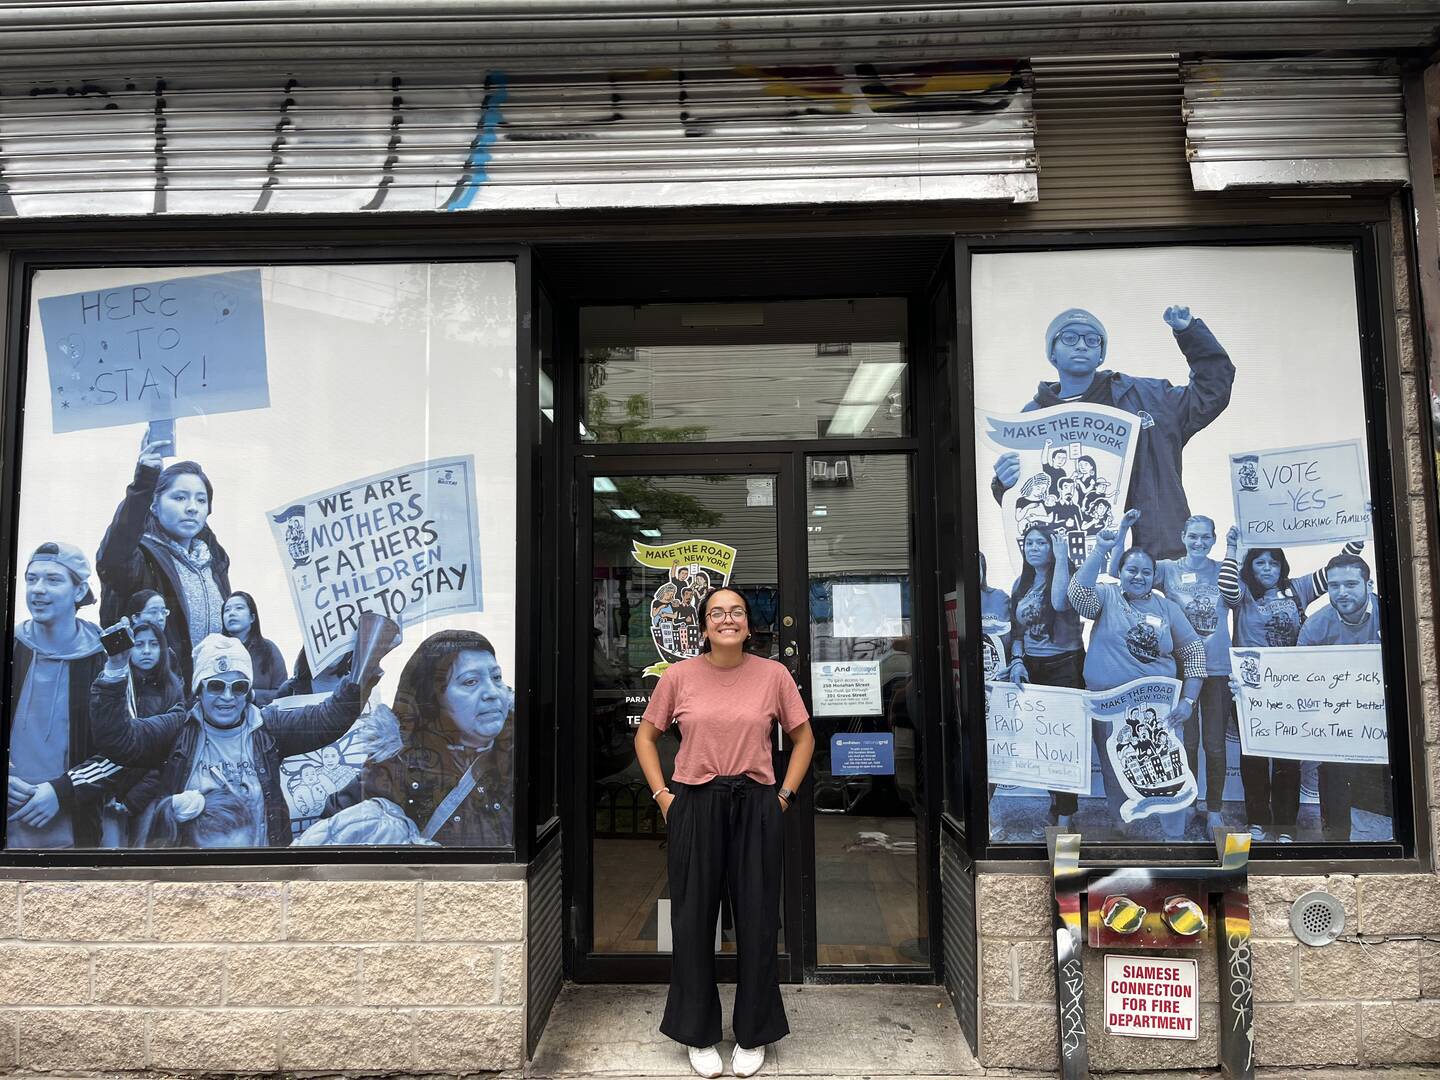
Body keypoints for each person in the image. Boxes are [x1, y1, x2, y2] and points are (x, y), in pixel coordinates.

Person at [633, 587, 816, 1079]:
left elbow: (803, 739)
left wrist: (784, 798)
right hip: (694, 803)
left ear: (749, 625)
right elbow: (646, 737)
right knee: (693, 921)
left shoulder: (773, 675)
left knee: (758, 920)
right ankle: (697, 1032)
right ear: (704, 625)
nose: (727, 619)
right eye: (717, 613)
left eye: (736, 612)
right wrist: (663, 797)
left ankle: (753, 1032)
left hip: (756, 804)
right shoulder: (679, 676)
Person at [990, 305, 1235, 560]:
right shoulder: (1033, 417)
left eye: (1092, 339)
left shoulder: (1149, 398)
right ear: (1052, 352)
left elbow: (1211, 392)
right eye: (1069, 338)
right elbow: (1029, 504)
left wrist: (1190, 333)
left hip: (1157, 559)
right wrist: (1005, 484)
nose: (1082, 345)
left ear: (1101, 354)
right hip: (1077, 566)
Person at [89, 634, 369, 847]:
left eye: (238, 687)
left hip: (258, 875)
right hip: (191, 880)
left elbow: (328, 719)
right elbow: (118, 740)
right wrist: (115, 670)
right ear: (199, 689)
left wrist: (364, 664)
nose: (227, 697)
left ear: (248, 692)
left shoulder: (268, 726)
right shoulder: (178, 728)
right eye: (215, 685)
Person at [1219, 528, 1365, 841]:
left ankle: (1285, 825)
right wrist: (1231, 547)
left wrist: (1359, 533)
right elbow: (1227, 587)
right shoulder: (1243, 593)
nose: (1267, 568)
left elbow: (1331, 573)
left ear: (1282, 566)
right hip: (1250, 687)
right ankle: (1258, 821)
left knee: (1287, 759)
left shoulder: (1297, 588)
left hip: (1290, 688)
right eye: (1260, 563)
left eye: (1273, 562)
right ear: (1250, 568)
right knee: (1254, 759)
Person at [1068, 524, 1207, 825]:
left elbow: (1194, 650)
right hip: (1108, 706)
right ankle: (1122, 826)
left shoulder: (1167, 608)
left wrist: (1189, 701)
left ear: (1153, 575)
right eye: (1132, 570)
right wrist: (1101, 550)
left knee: (1165, 763)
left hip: (1158, 708)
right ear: (1120, 571)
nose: (1139, 577)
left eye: (1146, 571)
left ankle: (1173, 833)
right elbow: (1078, 594)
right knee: (1114, 764)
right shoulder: (1105, 596)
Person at [1116, 512, 1233, 833]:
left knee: (1215, 745)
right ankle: (1189, 804)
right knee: (1187, 744)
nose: (1199, 542)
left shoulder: (1224, 570)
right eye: (1193, 536)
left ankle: (1215, 811)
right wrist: (1124, 529)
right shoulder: (1168, 569)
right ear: (1183, 537)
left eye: (1205, 537)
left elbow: (1242, 601)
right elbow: (1119, 572)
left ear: (1213, 539)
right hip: (1181, 673)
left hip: (1219, 668)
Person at [8, 542, 125, 848]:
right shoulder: (11, 646)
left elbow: (125, 748)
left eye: (53, 580)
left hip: (73, 835)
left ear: (78, 591)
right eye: (31, 579)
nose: (38, 589)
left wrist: (63, 789)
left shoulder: (103, 655)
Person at [354, 630, 515, 847]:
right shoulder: (393, 769)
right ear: (432, 698)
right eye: (470, 682)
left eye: (496, 677)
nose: (492, 692)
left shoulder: (527, 754)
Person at [96, 436, 232, 682]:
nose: (192, 507)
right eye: (179, 497)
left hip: (208, 696)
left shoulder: (215, 562)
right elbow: (113, 557)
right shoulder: (140, 560)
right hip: (155, 696)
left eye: (201, 500)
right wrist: (144, 482)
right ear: (154, 506)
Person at [1296, 552, 1381, 843]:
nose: (1341, 592)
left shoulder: (1394, 614)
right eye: (1334, 585)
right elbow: (1295, 679)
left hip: (1384, 716)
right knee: (1334, 777)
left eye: (1350, 584)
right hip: (1337, 720)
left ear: (1368, 585)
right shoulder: (1315, 626)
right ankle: (1338, 845)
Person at [1003, 526, 1083, 833]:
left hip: (1065, 665)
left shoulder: (1068, 575)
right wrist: (1018, 660)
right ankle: (1057, 804)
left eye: (1041, 543)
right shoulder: (1021, 583)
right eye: (1029, 543)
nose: (1033, 548)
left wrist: (1062, 558)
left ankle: (1065, 818)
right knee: (1044, 743)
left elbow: (1061, 601)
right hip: (1033, 667)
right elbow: (1017, 631)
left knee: (1063, 741)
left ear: (1054, 546)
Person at [221, 591, 289, 706]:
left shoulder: (269, 649)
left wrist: (253, 695)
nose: (231, 613)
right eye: (227, 610)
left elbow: (284, 693)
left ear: (252, 618)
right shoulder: (215, 649)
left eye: (239, 608)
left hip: (263, 718)